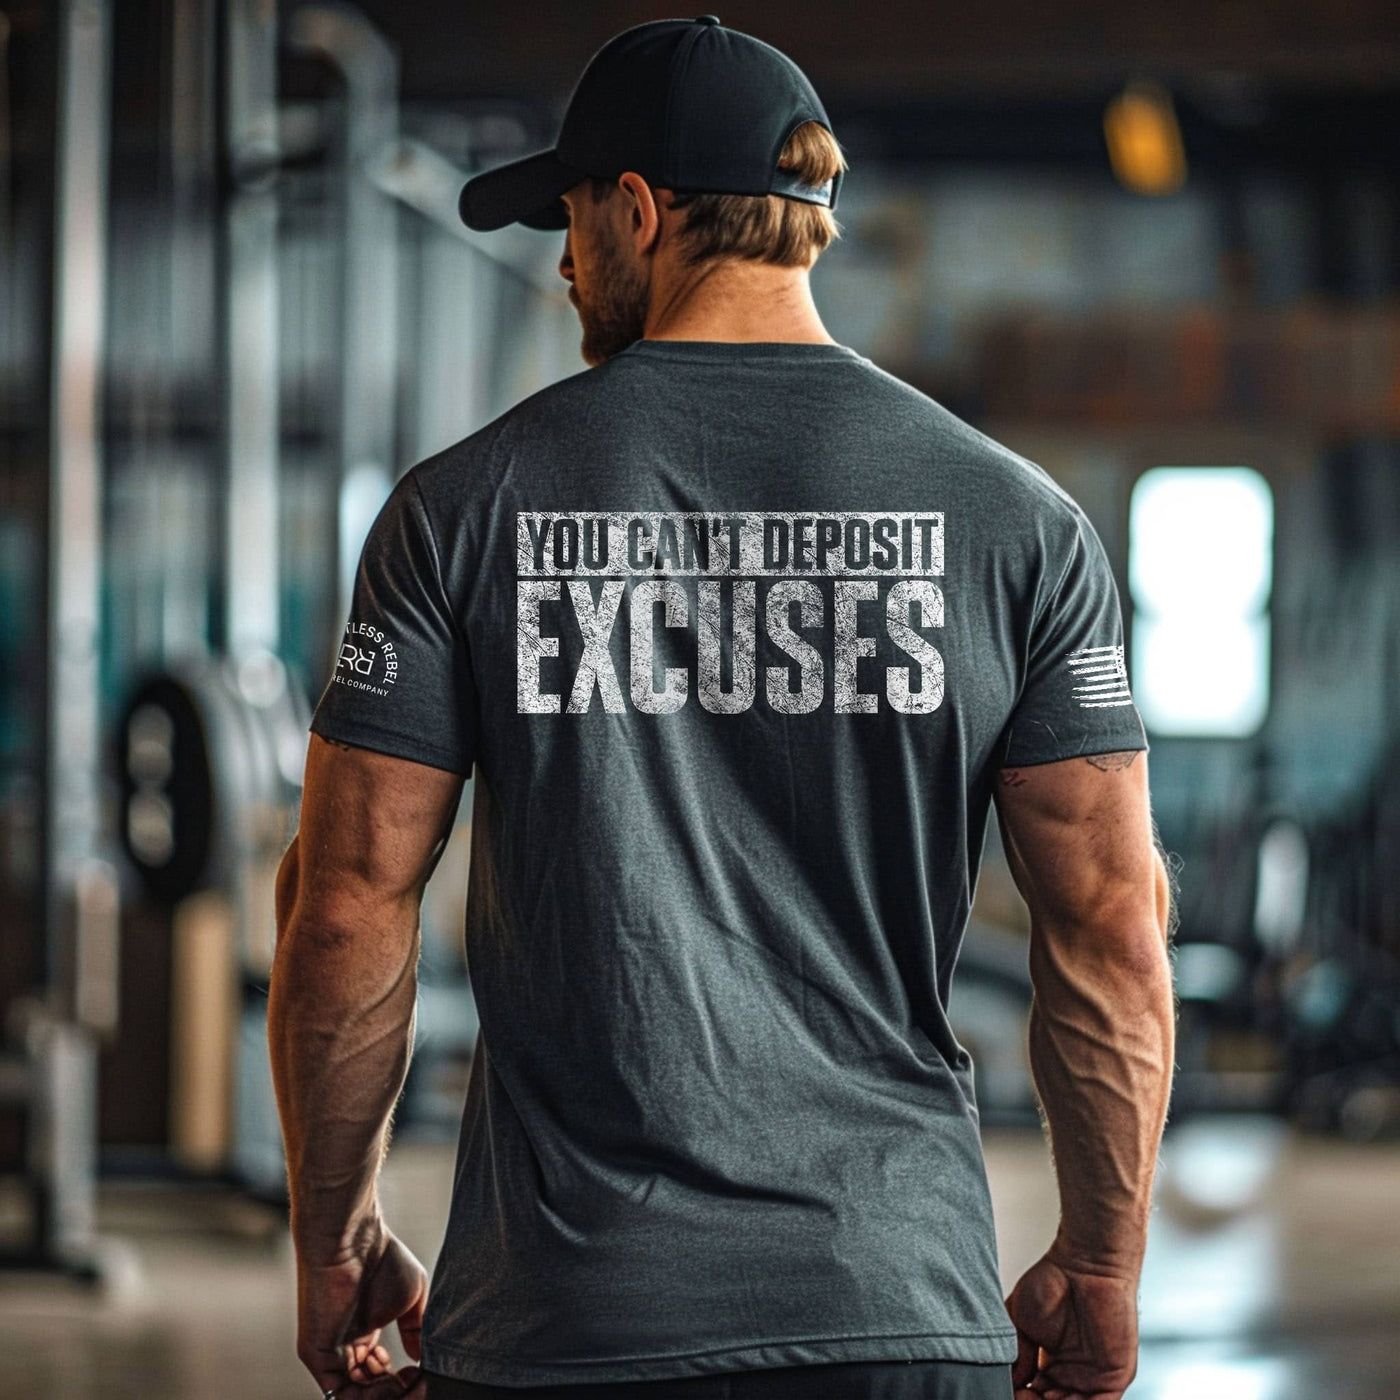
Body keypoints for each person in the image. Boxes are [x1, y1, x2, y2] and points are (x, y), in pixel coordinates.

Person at [268, 15, 1176, 1400]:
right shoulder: (1021, 526)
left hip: (568, 1328)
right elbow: (1113, 925)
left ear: (638, 210)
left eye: (571, 223)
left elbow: (343, 908)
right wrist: (1104, 1264)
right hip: (892, 1311)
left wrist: (334, 1239)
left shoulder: (460, 510)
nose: (567, 266)